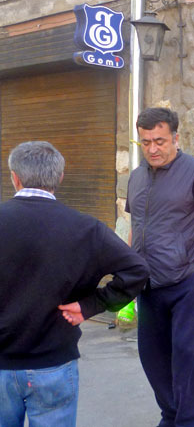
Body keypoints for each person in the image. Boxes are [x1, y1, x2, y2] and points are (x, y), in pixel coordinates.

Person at [0, 141, 149, 427]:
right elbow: (137, 270)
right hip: (54, 363)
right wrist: (91, 305)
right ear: (60, 177)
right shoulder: (86, 228)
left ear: (14, 177)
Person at [126, 107, 194, 426]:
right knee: (153, 358)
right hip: (148, 285)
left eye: (159, 141)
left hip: (187, 283)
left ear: (175, 138)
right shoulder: (136, 177)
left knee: (189, 360)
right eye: (145, 142)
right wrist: (129, 267)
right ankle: (171, 416)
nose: (152, 149)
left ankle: (189, 422)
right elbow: (136, 225)